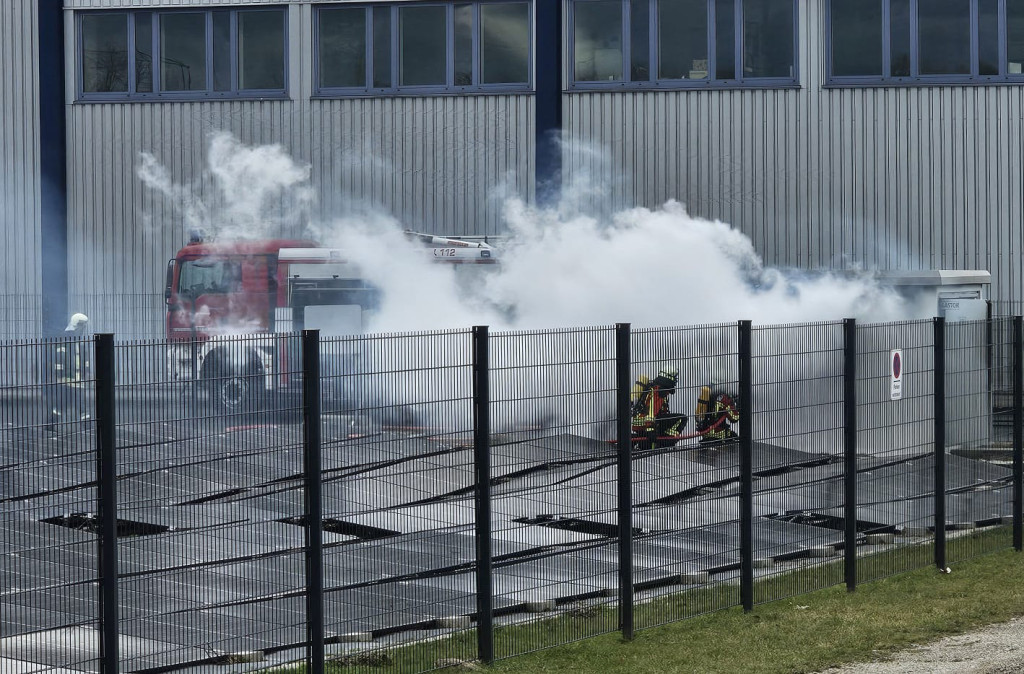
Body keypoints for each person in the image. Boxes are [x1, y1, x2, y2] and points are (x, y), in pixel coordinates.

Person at [43, 313, 91, 433]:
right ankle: (87, 427)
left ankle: (51, 425)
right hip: (68, 380)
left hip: (76, 380)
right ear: (76, 325)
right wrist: (59, 375)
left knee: (66, 405)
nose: (83, 329)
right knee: (71, 405)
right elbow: (60, 357)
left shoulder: (77, 340)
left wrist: (87, 371)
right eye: (82, 326)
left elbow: (83, 358)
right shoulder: (66, 339)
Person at [630, 365, 688, 450]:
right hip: (647, 422)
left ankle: (641, 440)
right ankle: (665, 443)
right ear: (670, 377)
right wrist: (650, 428)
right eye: (674, 377)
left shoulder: (653, 386)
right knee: (682, 418)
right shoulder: (660, 391)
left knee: (666, 420)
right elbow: (652, 410)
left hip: (639, 422)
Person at [694, 381, 740, 446]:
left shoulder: (706, 395)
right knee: (737, 440)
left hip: (706, 436)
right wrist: (737, 406)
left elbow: (698, 417)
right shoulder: (724, 398)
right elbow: (735, 418)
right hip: (719, 436)